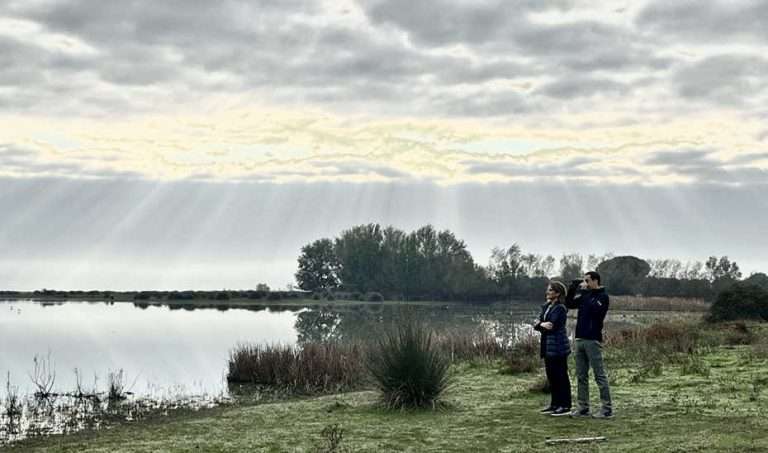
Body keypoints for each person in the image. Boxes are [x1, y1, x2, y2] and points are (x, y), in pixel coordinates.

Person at [566, 271, 613, 418]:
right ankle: (583, 408)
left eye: (587, 281)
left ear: (595, 281)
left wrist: (587, 292)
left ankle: (606, 409)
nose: (584, 284)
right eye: (584, 281)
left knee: (599, 375)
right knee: (581, 376)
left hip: (592, 339)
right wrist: (573, 288)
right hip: (579, 338)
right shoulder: (585, 295)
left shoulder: (603, 297)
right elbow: (569, 303)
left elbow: (596, 311)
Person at [533, 281, 571, 416]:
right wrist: (541, 324)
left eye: (550, 290)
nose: (547, 292)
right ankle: (554, 404)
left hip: (559, 347)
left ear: (557, 293)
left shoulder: (560, 308)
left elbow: (552, 326)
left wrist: (541, 325)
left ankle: (565, 405)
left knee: (561, 376)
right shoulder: (546, 306)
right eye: (548, 290)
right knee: (552, 377)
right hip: (547, 347)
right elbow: (537, 324)